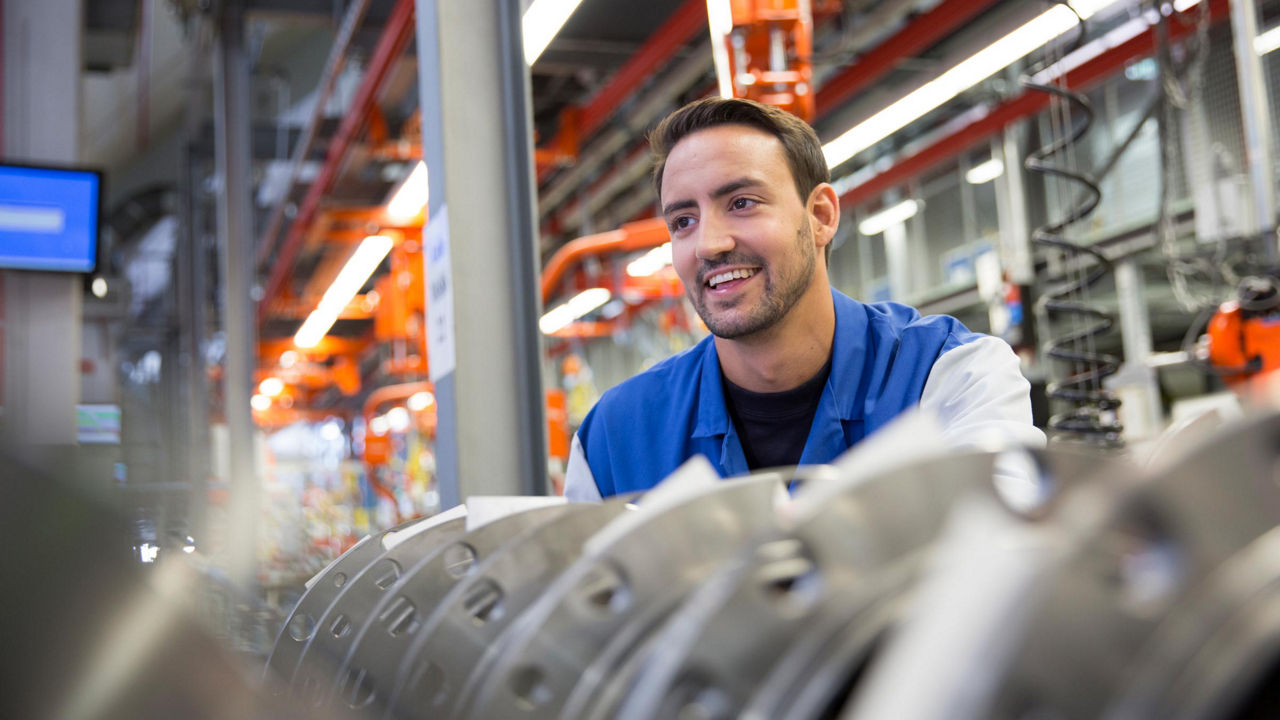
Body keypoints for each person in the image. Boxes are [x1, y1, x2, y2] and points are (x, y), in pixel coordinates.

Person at [563, 97, 1044, 501]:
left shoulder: (950, 378)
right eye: (683, 221)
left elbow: (1007, 555)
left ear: (821, 216)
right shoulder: (614, 438)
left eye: (742, 203)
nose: (709, 244)